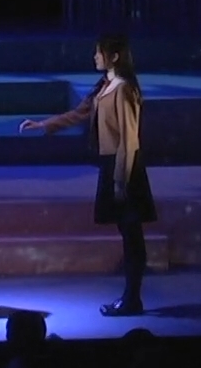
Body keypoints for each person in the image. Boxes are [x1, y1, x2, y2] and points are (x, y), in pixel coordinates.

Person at [20, 33, 158, 316]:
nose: (95, 57)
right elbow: (79, 113)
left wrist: (120, 179)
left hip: (124, 167)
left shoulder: (123, 89)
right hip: (111, 165)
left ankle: (132, 298)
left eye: (99, 52)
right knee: (126, 232)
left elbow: (129, 140)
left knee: (132, 234)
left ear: (114, 56)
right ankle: (130, 297)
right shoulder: (105, 85)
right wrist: (44, 125)